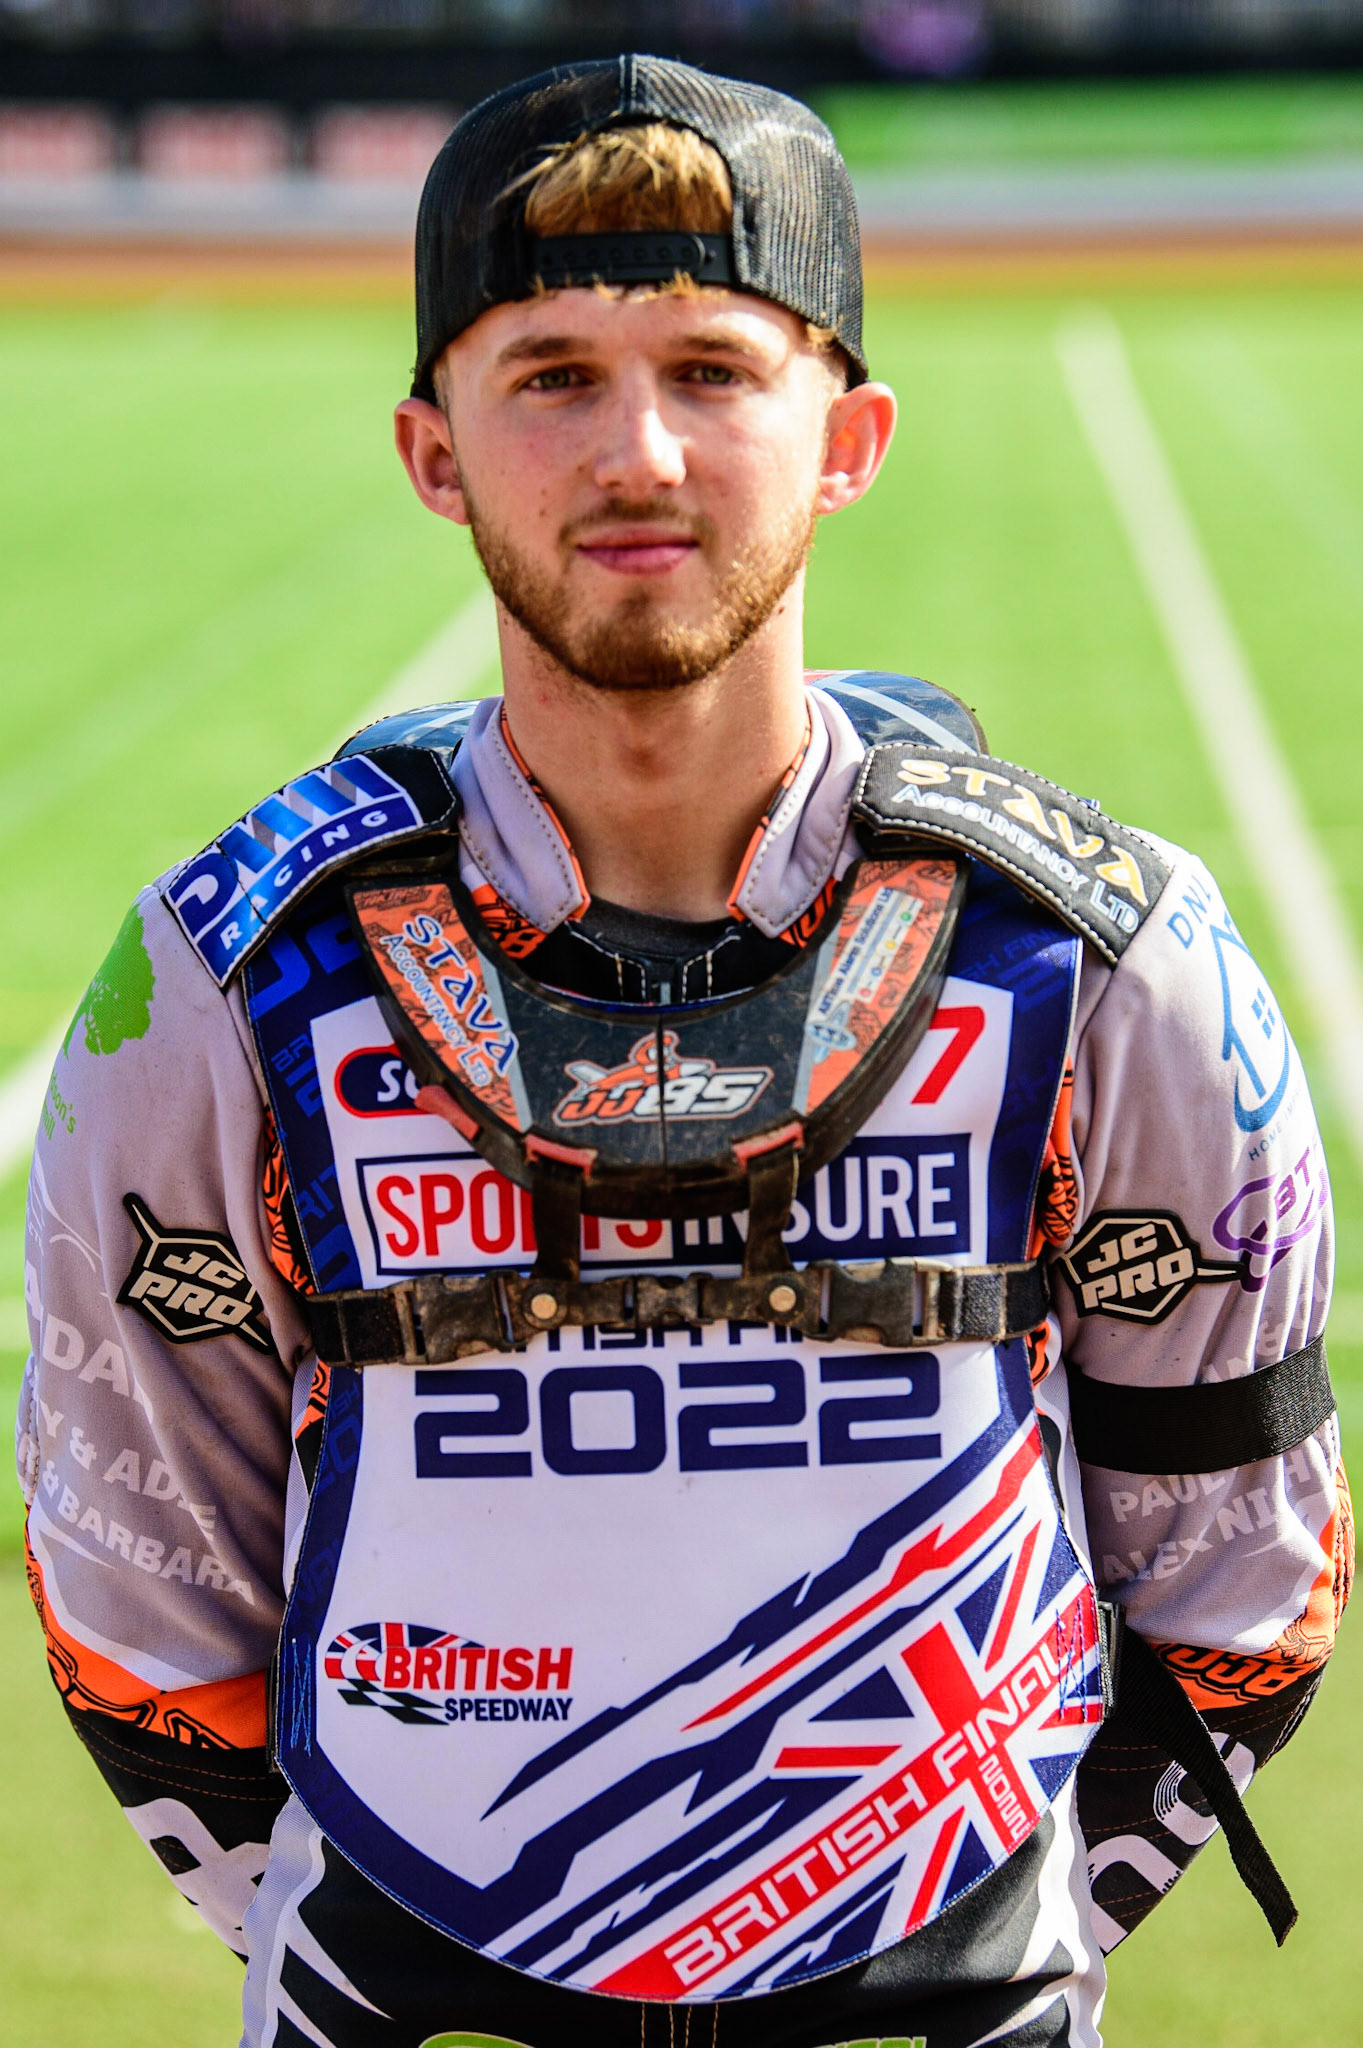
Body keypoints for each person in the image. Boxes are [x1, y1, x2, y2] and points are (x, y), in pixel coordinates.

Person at [18, 56, 1349, 2048]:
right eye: (547, 371)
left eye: (714, 369)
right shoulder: (225, 981)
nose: (635, 448)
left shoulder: (1109, 958)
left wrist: (1008, 1917)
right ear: (431, 448)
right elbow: (141, 1598)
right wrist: (377, 1920)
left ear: (849, 436)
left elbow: (1241, 1579)